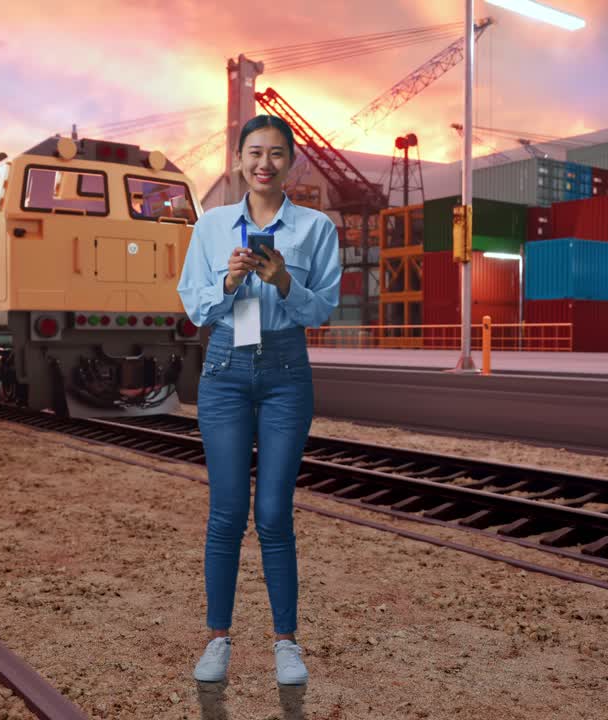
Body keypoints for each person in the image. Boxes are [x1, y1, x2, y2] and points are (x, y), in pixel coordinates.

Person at [176, 114, 341, 688]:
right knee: (225, 513)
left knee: (273, 514)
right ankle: (217, 639)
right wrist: (226, 283)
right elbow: (192, 303)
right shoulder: (214, 225)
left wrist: (285, 282)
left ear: (290, 161)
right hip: (224, 368)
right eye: (254, 152)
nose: (264, 163)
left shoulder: (316, 227)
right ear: (239, 160)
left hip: (285, 371)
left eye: (275, 153)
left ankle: (286, 644)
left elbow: (323, 309)